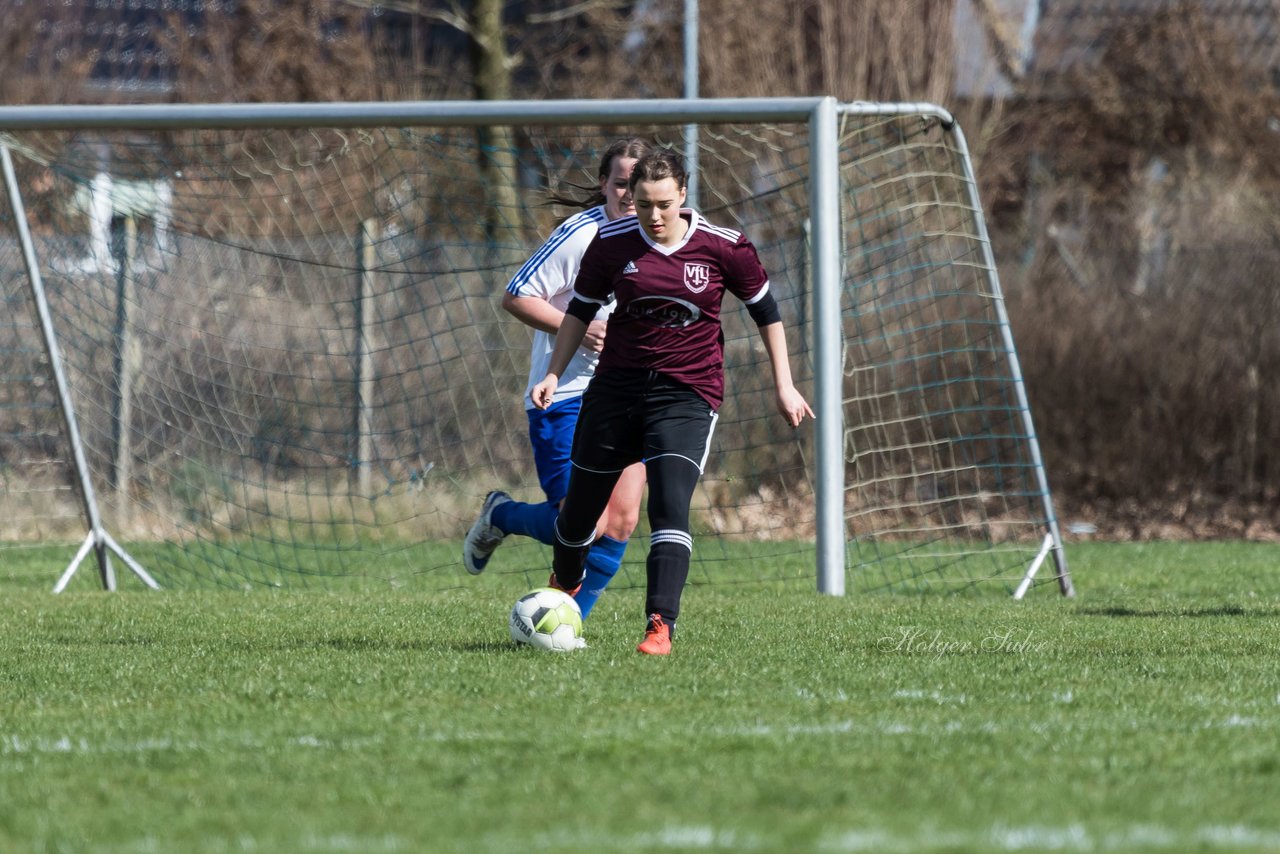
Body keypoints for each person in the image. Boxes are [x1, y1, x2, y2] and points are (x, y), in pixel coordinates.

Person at [531, 149, 813, 655]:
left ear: (683, 195)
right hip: (615, 389)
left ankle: (660, 626)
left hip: (687, 393)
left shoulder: (725, 247)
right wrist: (553, 372)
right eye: (642, 205)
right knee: (578, 517)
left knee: (668, 505)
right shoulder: (612, 243)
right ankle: (563, 588)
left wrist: (784, 384)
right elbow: (579, 310)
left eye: (663, 204)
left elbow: (766, 312)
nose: (654, 216)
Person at [463, 138, 651, 619]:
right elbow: (517, 295)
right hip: (566, 396)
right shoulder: (580, 236)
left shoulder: (663, 240)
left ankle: (567, 624)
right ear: (605, 185)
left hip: (630, 396)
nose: (630, 195)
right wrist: (581, 326)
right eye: (621, 183)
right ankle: (501, 514)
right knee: (580, 522)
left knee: (622, 521)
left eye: (639, 184)